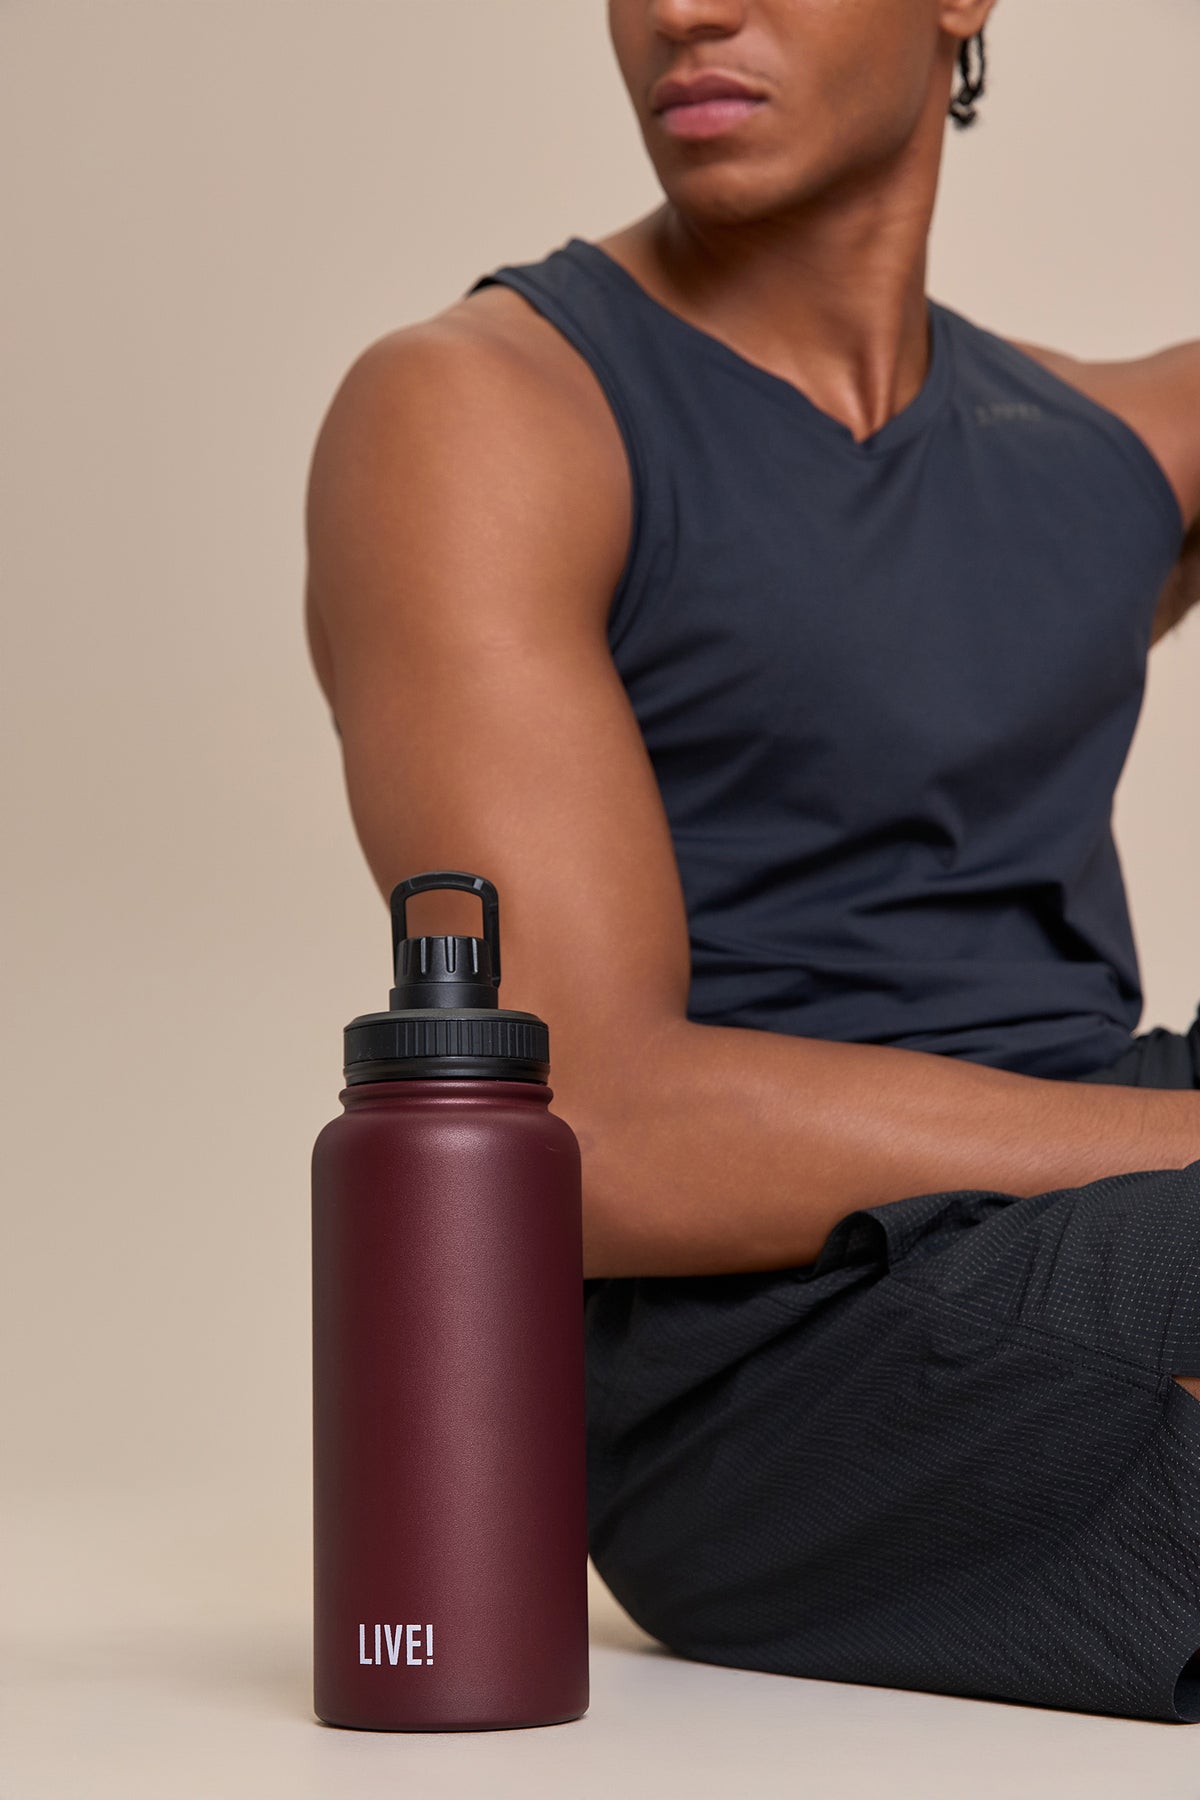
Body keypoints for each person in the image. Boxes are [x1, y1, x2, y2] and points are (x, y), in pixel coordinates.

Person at [303, 0, 1200, 1722]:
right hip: (764, 1350)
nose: (684, 10)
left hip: (1115, 1169)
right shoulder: (482, 413)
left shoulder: (1107, 449)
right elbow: (589, 1126)